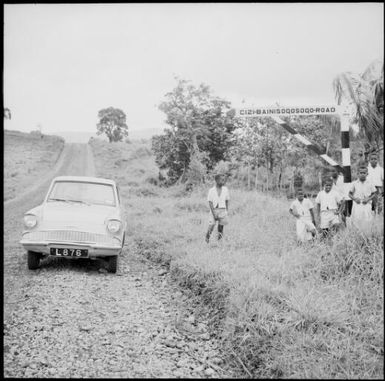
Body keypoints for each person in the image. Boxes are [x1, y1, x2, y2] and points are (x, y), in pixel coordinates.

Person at [349, 165, 377, 234]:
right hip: (357, 204)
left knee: (367, 220)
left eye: (364, 173)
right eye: (361, 173)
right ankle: (357, 236)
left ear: (367, 174)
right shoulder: (355, 183)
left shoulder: (370, 183)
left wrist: (368, 199)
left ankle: (366, 235)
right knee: (356, 221)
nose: (362, 174)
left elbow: (374, 193)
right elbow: (349, 194)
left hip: (366, 204)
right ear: (358, 174)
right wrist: (355, 199)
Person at [205, 174, 230, 243]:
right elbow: (210, 202)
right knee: (211, 225)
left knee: (221, 227)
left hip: (222, 210)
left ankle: (219, 241)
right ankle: (207, 239)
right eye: (222, 180)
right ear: (216, 180)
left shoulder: (225, 189)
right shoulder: (212, 190)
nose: (223, 181)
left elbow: (227, 200)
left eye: (224, 180)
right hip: (214, 210)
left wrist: (226, 211)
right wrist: (214, 214)